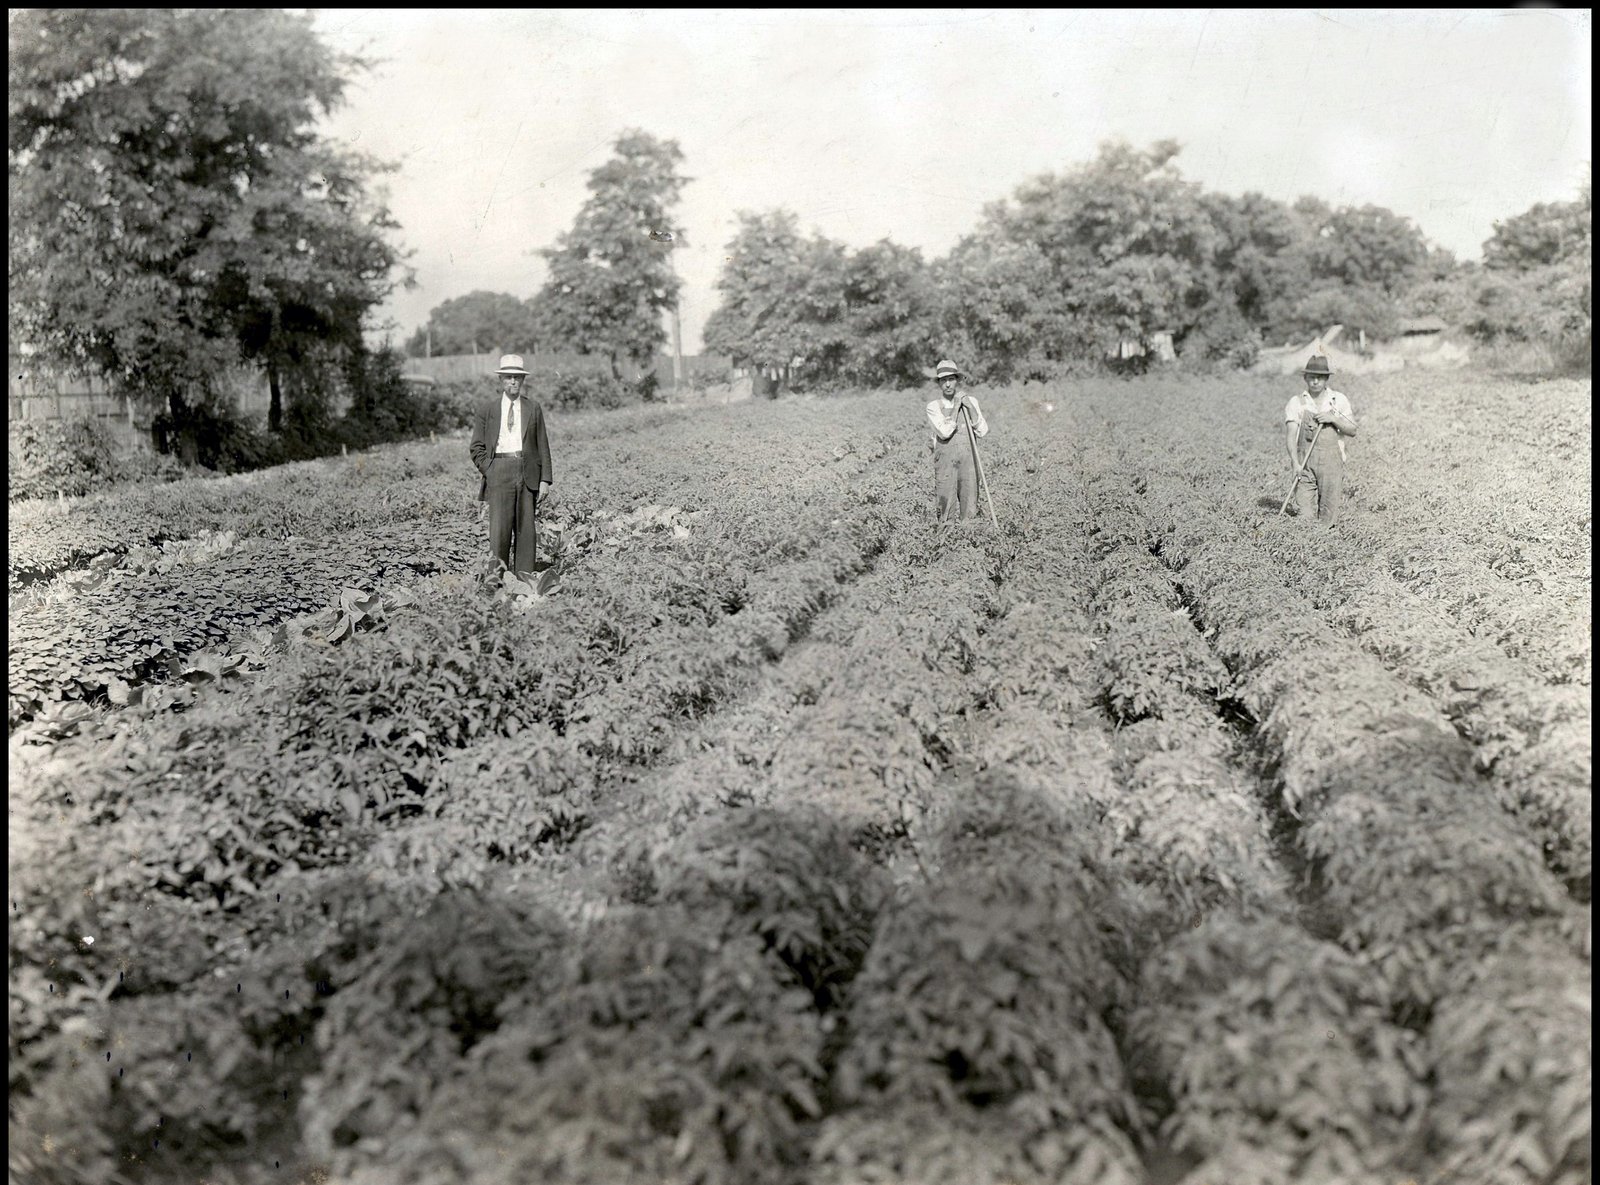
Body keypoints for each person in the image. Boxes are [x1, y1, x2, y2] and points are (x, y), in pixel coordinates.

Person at [470, 354, 552, 575]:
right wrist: (490, 470)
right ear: (501, 380)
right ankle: (496, 583)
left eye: (517, 377)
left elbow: (542, 444)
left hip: (527, 472)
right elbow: (476, 447)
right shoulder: (487, 409)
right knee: (499, 532)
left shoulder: (533, 408)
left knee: (526, 531)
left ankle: (524, 582)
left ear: (523, 380)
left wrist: (545, 479)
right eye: (508, 377)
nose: (513, 381)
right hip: (499, 470)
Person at [1283, 354, 1357, 526]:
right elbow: (1291, 435)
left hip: (1331, 464)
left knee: (1328, 515)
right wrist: (1295, 463)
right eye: (1312, 377)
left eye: (1320, 377)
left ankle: (1324, 539)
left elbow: (1352, 430)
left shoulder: (1337, 401)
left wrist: (1334, 419)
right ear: (1305, 378)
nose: (1315, 381)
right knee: (1304, 515)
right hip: (1304, 465)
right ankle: (1306, 539)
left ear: (1326, 379)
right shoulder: (1297, 402)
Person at [925, 359, 989, 523]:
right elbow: (945, 432)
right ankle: (946, 537)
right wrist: (956, 407)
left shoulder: (971, 401)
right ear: (939, 383)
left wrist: (970, 406)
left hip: (968, 462)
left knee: (970, 508)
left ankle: (968, 537)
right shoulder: (934, 406)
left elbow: (982, 431)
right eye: (943, 380)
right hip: (946, 464)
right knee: (945, 508)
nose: (948, 384)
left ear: (957, 380)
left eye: (951, 379)